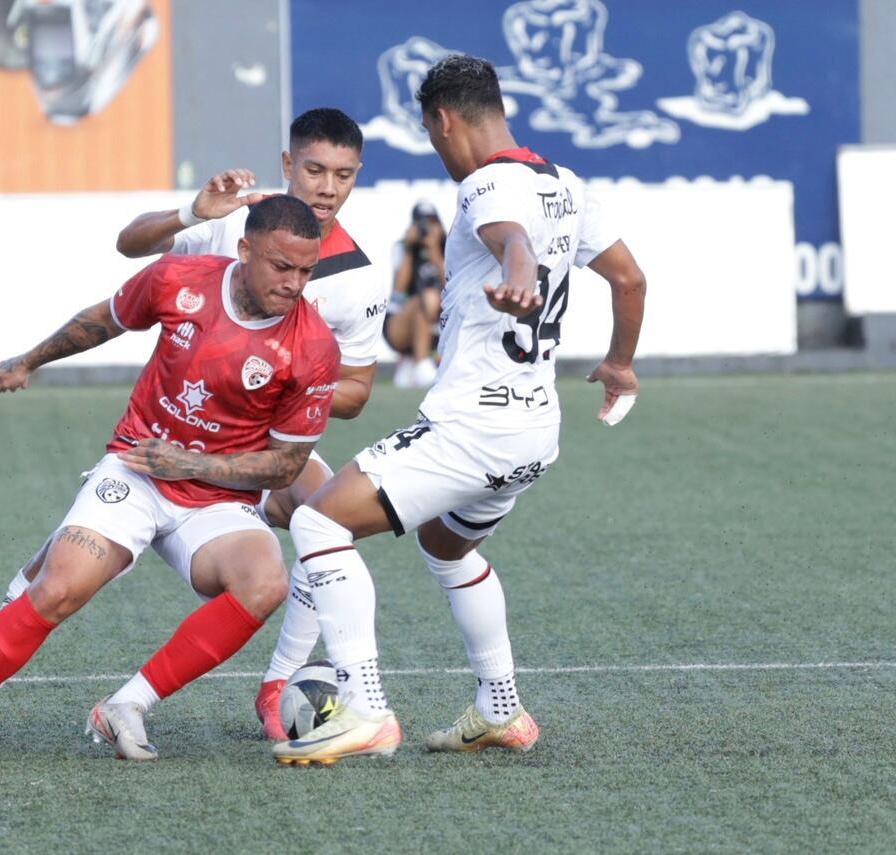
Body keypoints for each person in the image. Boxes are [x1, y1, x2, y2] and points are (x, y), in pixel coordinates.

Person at [0, 108, 386, 746]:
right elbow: (130, 247)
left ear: (355, 179)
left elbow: (357, 392)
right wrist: (191, 213)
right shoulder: (235, 220)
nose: (325, 187)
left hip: (266, 447)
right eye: (314, 169)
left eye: (341, 175)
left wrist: (283, 384)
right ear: (288, 166)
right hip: (176, 432)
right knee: (65, 569)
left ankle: (278, 685)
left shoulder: (359, 277)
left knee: (328, 519)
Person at [271, 54, 647, 765]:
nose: (438, 149)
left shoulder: (484, 185)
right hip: (536, 427)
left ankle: (364, 706)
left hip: (474, 426)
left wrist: (517, 276)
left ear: (443, 120)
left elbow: (513, 242)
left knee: (319, 517)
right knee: (447, 545)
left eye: (430, 133)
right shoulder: (564, 183)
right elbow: (629, 278)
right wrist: (620, 363)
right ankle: (500, 706)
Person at [0, 195, 340, 762]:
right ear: (244, 249)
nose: (295, 283)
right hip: (136, 470)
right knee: (57, 588)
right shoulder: (179, 278)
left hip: (218, 498)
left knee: (266, 580)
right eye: (281, 266)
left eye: (306, 269)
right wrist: (29, 360)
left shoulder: (315, 346)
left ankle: (127, 704)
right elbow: (104, 320)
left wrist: (192, 466)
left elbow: (285, 466)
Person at [385, 200, 446, 388]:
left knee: (432, 298)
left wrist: (435, 250)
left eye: (431, 222)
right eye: (421, 223)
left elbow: (451, 285)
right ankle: (419, 362)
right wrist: (410, 250)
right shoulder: (403, 248)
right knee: (425, 298)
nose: (426, 228)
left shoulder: (448, 246)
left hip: (440, 321)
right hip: (402, 323)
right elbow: (399, 292)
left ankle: (416, 362)